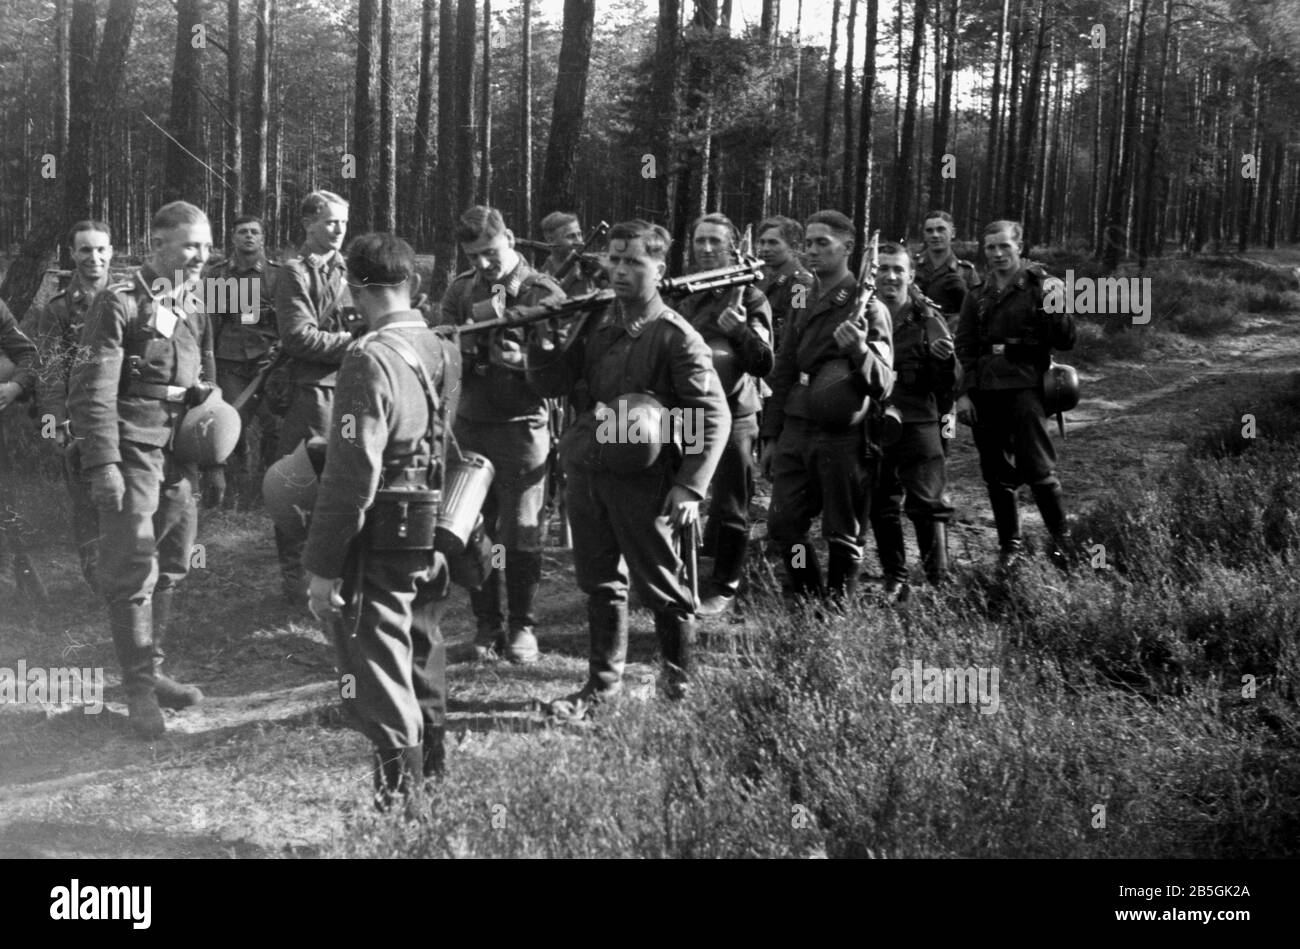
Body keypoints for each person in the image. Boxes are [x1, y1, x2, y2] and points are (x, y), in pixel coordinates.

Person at [529, 219, 729, 719]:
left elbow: (713, 413)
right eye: (614, 259)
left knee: (662, 586)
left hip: (647, 482)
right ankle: (600, 688)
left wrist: (689, 486)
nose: (619, 270)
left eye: (633, 262)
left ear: (659, 269)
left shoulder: (675, 336)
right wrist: (543, 337)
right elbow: (555, 382)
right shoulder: (595, 320)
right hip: (590, 469)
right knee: (599, 582)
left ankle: (677, 690)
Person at [304, 232, 462, 810]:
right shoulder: (444, 347)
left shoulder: (368, 357)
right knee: (424, 653)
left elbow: (352, 477)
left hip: (385, 537)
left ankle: (401, 806)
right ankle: (435, 782)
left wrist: (323, 567)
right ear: (411, 284)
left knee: (380, 671)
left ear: (353, 287)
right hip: (438, 529)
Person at [67, 201, 218, 738]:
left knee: (174, 560)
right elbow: (92, 390)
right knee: (133, 565)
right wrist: (103, 463)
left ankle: (153, 674)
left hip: (179, 452)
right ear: (157, 247)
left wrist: (213, 448)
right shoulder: (119, 302)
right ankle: (136, 691)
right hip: (131, 448)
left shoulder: (196, 300)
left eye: (205, 245)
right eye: (190, 246)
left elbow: (204, 376)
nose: (202, 255)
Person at [437, 206, 565, 664]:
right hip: (472, 424)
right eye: (475, 257)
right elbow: (445, 361)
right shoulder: (461, 289)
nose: (485, 265)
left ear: (510, 237)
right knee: (473, 528)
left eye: (491, 253)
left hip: (521, 427)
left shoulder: (542, 290)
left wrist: (524, 360)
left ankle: (523, 627)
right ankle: (487, 624)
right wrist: (463, 350)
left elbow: (561, 369)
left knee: (521, 531)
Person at [760, 210, 894, 604]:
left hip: (843, 432)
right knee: (785, 526)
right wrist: (770, 435)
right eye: (809, 243)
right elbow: (784, 365)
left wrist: (859, 350)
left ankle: (835, 612)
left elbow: (884, 383)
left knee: (842, 531)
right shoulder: (804, 293)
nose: (812, 250)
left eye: (823, 243)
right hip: (797, 426)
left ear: (847, 248)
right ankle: (807, 595)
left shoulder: (868, 306)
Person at [954, 219, 1076, 569]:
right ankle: (1010, 547)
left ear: (1019, 247)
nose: (997, 253)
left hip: (1027, 387)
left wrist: (1056, 304)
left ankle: (1062, 542)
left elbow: (1066, 339)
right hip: (985, 390)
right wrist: (963, 394)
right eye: (990, 247)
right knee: (996, 474)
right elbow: (964, 346)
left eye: (1004, 246)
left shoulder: (1042, 285)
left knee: (1038, 469)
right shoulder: (977, 294)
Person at [676, 213, 773, 615]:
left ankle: (726, 584)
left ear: (733, 248)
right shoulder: (683, 291)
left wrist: (738, 330)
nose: (707, 249)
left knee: (731, 500)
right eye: (700, 241)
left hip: (734, 412)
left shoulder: (750, 296)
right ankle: (684, 572)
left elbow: (764, 361)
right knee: (688, 493)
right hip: (693, 410)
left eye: (716, 241)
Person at [273, 191, 354, 606]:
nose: (339, 230)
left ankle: (337, 575)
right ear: (308, 225)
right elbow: (298, 336)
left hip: (354, 389)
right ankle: (296, 577)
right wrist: (357, 343)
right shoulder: (294, 273)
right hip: (313, 394)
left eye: (343, 221)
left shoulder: (349, 267)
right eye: (330, 222)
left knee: (347, 484)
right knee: (301, 484)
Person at [24, 220, 112, 589]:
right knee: (85, 498)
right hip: (79, 418)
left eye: (100, 249)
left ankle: (129, 569)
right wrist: (54, 423)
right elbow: (49, 371)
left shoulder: (129, 298)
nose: (94, 258)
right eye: (85, 250)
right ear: (73, 255)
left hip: (123, 413)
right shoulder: (58, 310)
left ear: (112, 253)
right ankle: (95, 571)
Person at [869, 243, 959, 599]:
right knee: (881, 501)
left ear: (911, 275)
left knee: (927, 503)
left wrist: (945, 361)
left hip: (919, 418)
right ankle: (896, 576)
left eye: (898, 269)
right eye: (883, 269)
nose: (890, 276)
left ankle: (938, 579)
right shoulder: (862, 315)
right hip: (873, 419)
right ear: (873, 274)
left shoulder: (927, 319)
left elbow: (948, 387)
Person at [201, 215, 281, 504]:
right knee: (233, 423)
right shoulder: (217, 275)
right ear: (233, 238)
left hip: (270, 363)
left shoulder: (279, 275)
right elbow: (209, 322)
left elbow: (289, 320)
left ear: (262, 239)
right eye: (242, 232)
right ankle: (236, 489)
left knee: (275, 427)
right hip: (230, 361)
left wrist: (279, 352)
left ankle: (266, 489)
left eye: (255, 232)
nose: (249, 236)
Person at [755, 215, 815, 350]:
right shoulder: (763, 277)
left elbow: (797, 328)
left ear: (793, 246)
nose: (765, 248)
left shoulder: (799, 284)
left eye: (773, 242)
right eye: (762, 242)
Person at [913, 210, 981, 324]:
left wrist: (965, 294)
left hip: (952, 335)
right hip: (914, 333)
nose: (935, 235)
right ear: (924, 235)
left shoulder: (965, 271)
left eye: (941, 229)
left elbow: (980, 313)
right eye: (929, 231)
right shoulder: (912, 266)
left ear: (953, 233)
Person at [538, 211, 606, 297]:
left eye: (579, 234)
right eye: (571, 236)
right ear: (551, 240)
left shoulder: (589, 266)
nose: (580, 241)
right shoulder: (543, 276)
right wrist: (569, 278)